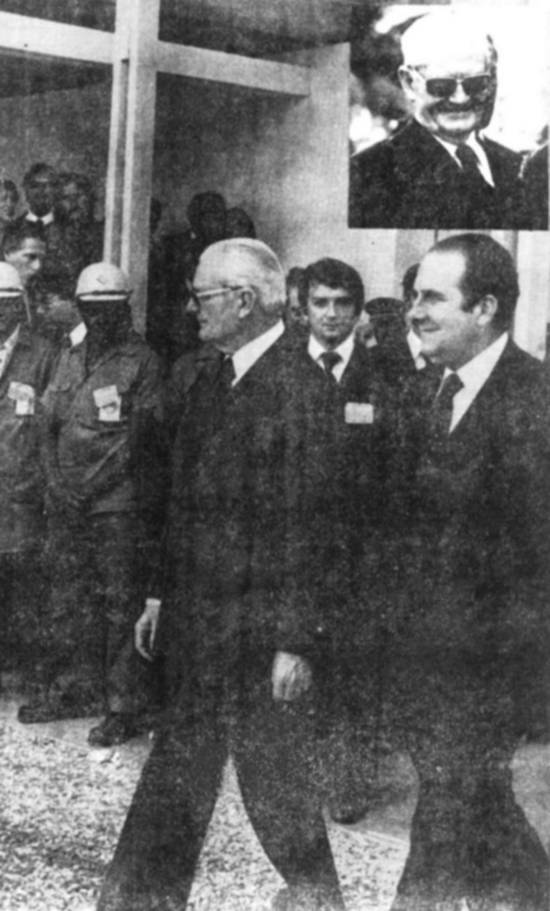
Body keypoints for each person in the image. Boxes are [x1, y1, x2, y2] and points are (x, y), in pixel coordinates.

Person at [97, 239, 346, 911]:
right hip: (201, 618)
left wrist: (297, 641)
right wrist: (158, 593)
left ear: (242, 300)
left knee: (272, 776)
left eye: (201, 295)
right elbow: (182, 499)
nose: (191, 307)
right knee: (184, 764)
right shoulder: (212, 378)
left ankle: (317, 896)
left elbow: (315, 525)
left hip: (261, 630)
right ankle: (139, 900)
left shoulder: (305, 390)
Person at [386, 234, 550, 910]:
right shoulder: (428, 389)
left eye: (432, 298)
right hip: (428, 656)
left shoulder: (534, 401)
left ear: (484, 308)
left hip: (490, 666)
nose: (414, 312)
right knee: (478, 804)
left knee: (448, 807)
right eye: (414, 297)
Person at [18, 263, 164, 748]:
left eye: (111, 310)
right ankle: (72, 689)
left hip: (114, 506)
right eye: (91, 310)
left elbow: (138, 443)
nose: (101, 319)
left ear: (126, 309)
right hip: (66, 502)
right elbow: (46, 426)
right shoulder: (69, 355)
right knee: (67, 598)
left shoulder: (144, 362)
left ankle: (123, 707)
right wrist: (56, 482)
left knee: (120, 604)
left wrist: (92, 488)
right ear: (80, 309)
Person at [293, 258, 390, 827]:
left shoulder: (384, 377)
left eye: (342, 304)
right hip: (294, 547)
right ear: (303, 308)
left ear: (357, 310)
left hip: (359, 553)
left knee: (352, 670)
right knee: (292, 662)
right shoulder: (281, 371)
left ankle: (348, 779)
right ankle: (297, 775)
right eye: (321, 303)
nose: (331, 315)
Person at [349, 10, 526, 229]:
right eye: (442, 86)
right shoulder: (367, 176)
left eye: (475, 84)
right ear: (408, 83)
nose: (460, 98)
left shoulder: (516, 166)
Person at [0, 263, 55, 685]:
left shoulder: (42, 353)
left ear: (19, 304)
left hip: (20, 491)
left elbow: (52, 424)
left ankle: (21, 672)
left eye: (5, 303)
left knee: (20, 581)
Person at [2, 221, 47, 327]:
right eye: (30, 257)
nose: (38, 266)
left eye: (42, 259)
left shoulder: (42, 296)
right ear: (8, 253)